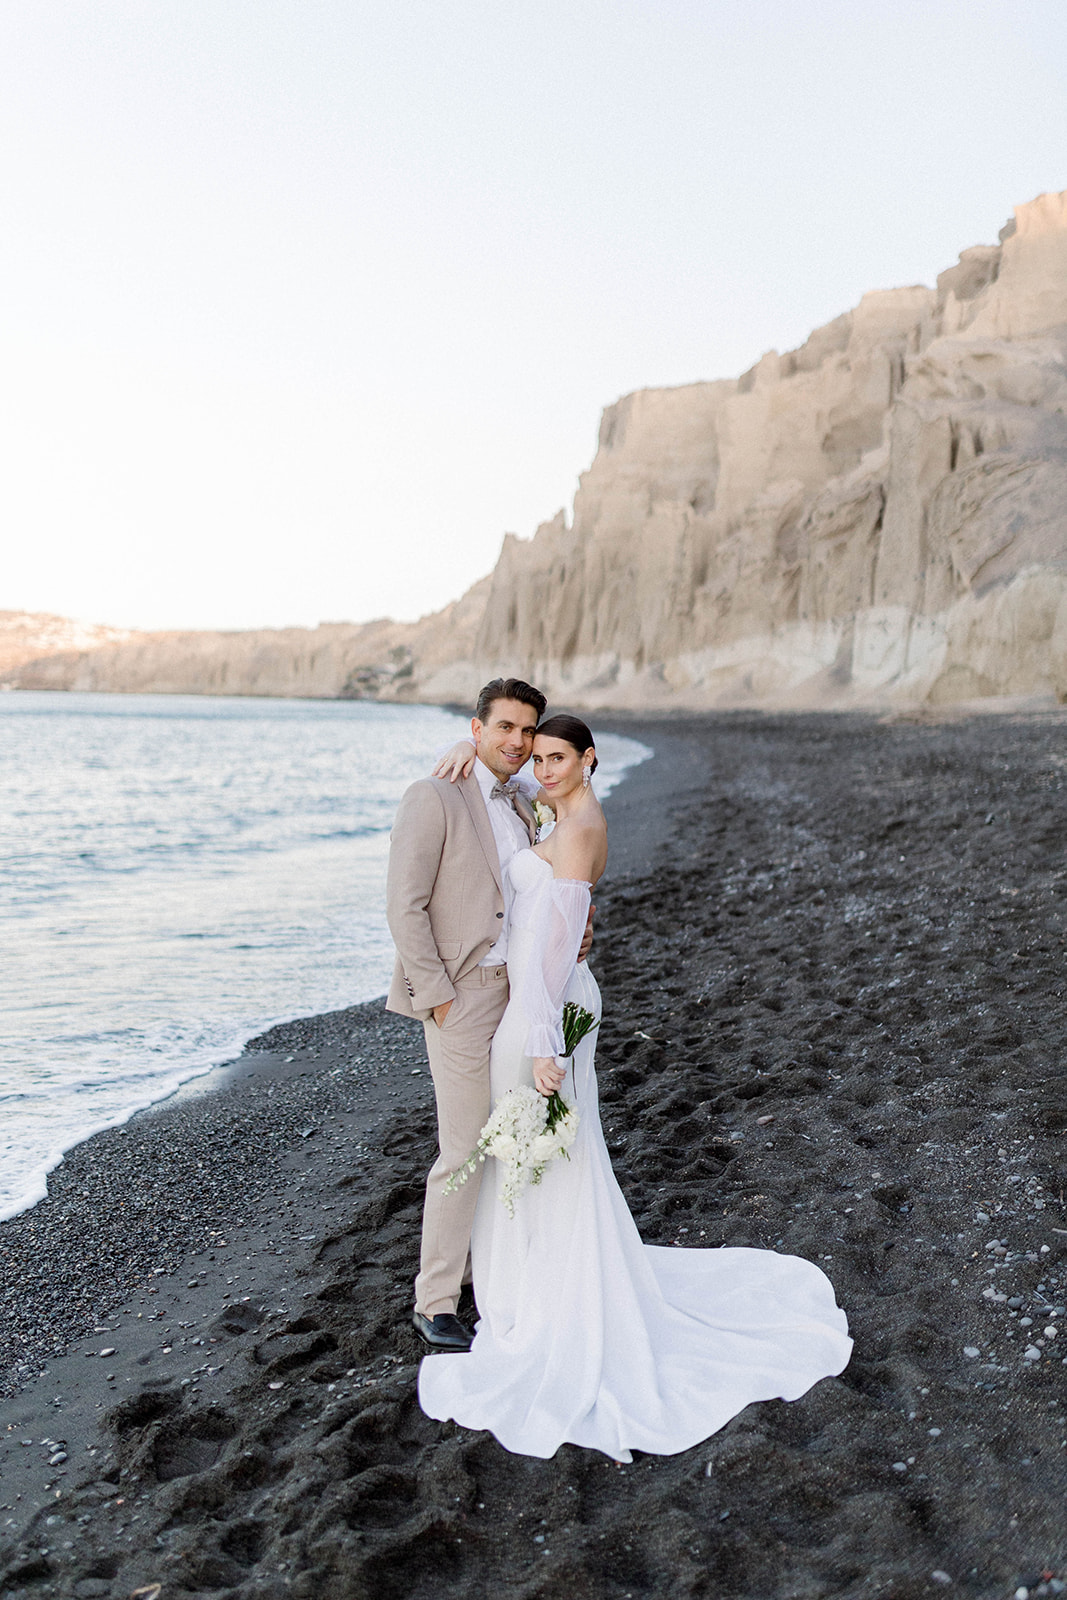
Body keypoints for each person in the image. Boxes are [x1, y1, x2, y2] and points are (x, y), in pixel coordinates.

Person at [417, 714, 853, 1462]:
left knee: (544, 1142)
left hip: (541, 1007)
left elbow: (556, 938)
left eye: (559, 757)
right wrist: (461, 750)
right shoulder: (552, 796)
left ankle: (546, 1291)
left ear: (589, 759)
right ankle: (517, 1278)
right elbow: (505, 776)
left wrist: (546, 1040)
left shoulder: (581, 824)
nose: (544, 767)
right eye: (539, 756)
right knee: (537, 1143)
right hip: (535, 997)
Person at [387, 677, 593, 1353]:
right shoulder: (435, 794)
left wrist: (576, 933)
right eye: (502, 727)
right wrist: (437, 996)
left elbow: (551, 880)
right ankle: (436, 1299)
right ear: (475, 728)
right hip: (462, 993)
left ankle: (494, 1270)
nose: (516, 741)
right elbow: (405, 906)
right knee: (464, 1146)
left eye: (526, 731)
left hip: (520, 990)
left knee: (511, 1130)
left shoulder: (526, 798)